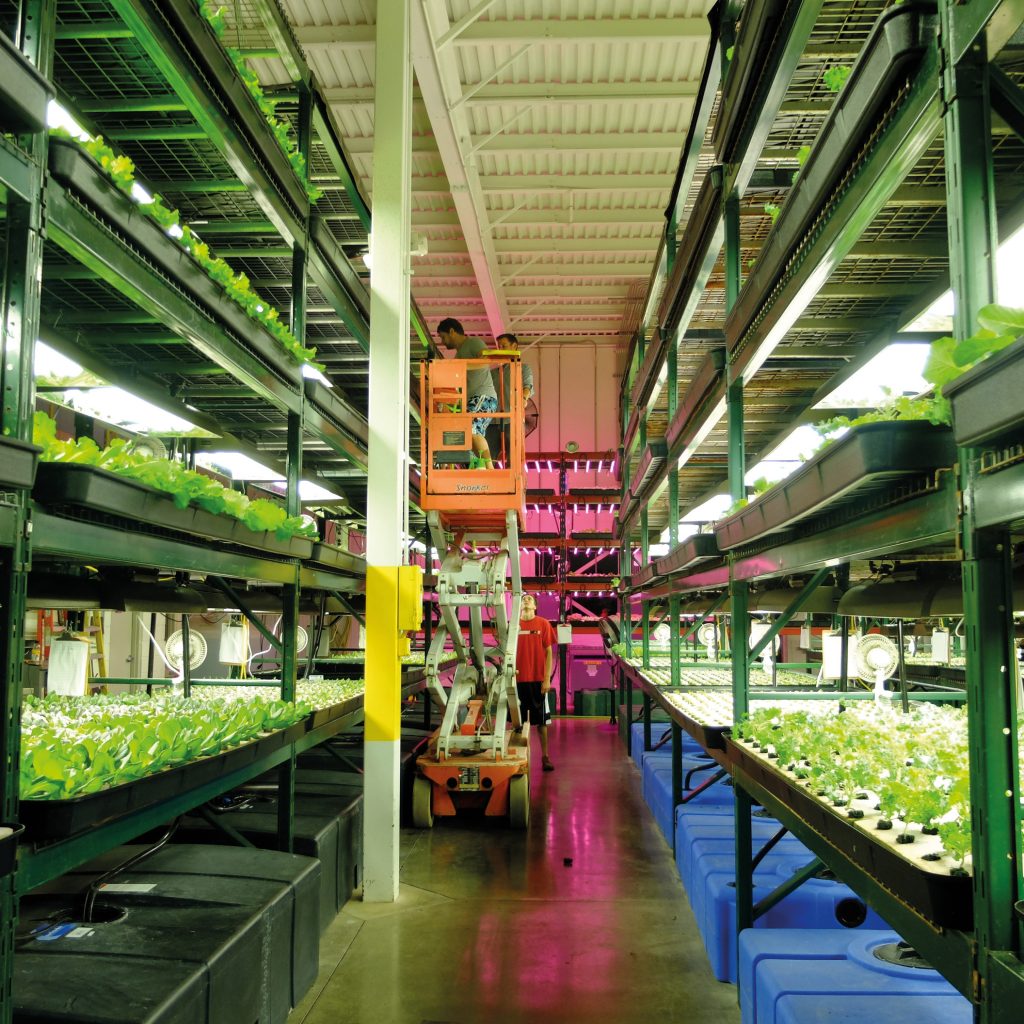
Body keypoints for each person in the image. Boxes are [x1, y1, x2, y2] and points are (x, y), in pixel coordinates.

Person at [437, 317, 497, 469]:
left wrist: (461, 367)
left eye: (443, 337)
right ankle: (481, 466)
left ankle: (489, 469)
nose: (443, 341)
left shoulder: (473, 343)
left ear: (452, 331)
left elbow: (486, 360)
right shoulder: (459, 355)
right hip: (473, 399)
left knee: (469, 427)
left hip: (482, 396)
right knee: (468, 433)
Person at [516, 593, 557, 771]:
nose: (526, 600)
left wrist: (546, 678)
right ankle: (518, 757)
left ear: (535, 606)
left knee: (541, 722)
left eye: (530, 599)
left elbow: (549, 652)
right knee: (517, 722)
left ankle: (545, 757)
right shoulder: (512, 626)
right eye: (524, 598)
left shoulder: (543, 624)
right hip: (516, 680)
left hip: (537, 680)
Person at [488, 332, 534, 462]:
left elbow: (527, 386)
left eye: (504, 346)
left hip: (511, 419)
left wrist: (524, 399)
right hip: (492, 420)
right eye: (499, 346)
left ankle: (511, 480)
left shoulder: (523, 369)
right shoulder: (493, 373)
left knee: (513, 458)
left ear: (514, 346)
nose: (500, 349)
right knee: (487, 458)